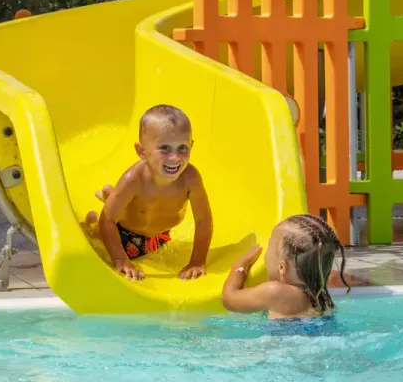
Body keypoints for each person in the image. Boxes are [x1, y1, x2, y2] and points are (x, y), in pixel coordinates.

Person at [81, 104, 213, 281]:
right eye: (164, 148)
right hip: (125, 234)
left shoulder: (191, 178)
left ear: (191, 145)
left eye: (182, 147)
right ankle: (96, 218)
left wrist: (197, 261)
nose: (174, 157)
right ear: (141, 151)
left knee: (120, 204)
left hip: (161, 237)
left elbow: (203, 220)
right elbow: (108, 220)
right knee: (96, 239)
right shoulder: (133, 179)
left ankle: (110, 197)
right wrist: (120, 260)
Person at [222, 214, 350, 319]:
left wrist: (239, 266)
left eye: (268, 248)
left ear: (282, 267)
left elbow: (229, 299)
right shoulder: (320, 295)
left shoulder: (274, 291)